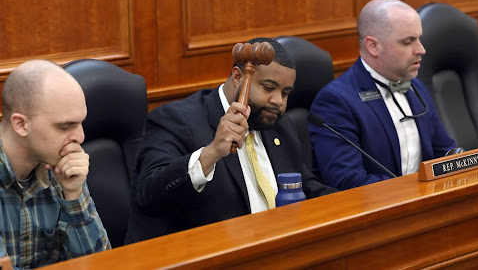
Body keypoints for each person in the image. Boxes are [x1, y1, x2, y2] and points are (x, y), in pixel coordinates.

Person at [125, 37, 337, 243]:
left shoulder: (278, 124)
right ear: (238, 77)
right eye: (269, 88)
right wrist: (212, 152)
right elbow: (148, 194)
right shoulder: (177, 120)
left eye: (286, 93)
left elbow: (304, 186)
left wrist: (357, 203)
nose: (278, 102)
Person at [309, 0, 456, 191]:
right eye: (408, 42)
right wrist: (414, 191)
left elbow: (444, 151)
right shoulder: (336, 101)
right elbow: (348, 181)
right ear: (373, 46)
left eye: (419, 38)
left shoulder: (415, 86)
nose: (421, 50)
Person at [0, 60, 111, 269]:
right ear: (21, 124)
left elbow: (100, 264)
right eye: (65, 126)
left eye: (81, 123)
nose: (80, 137)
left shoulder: (59, 163)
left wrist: (74, 194)